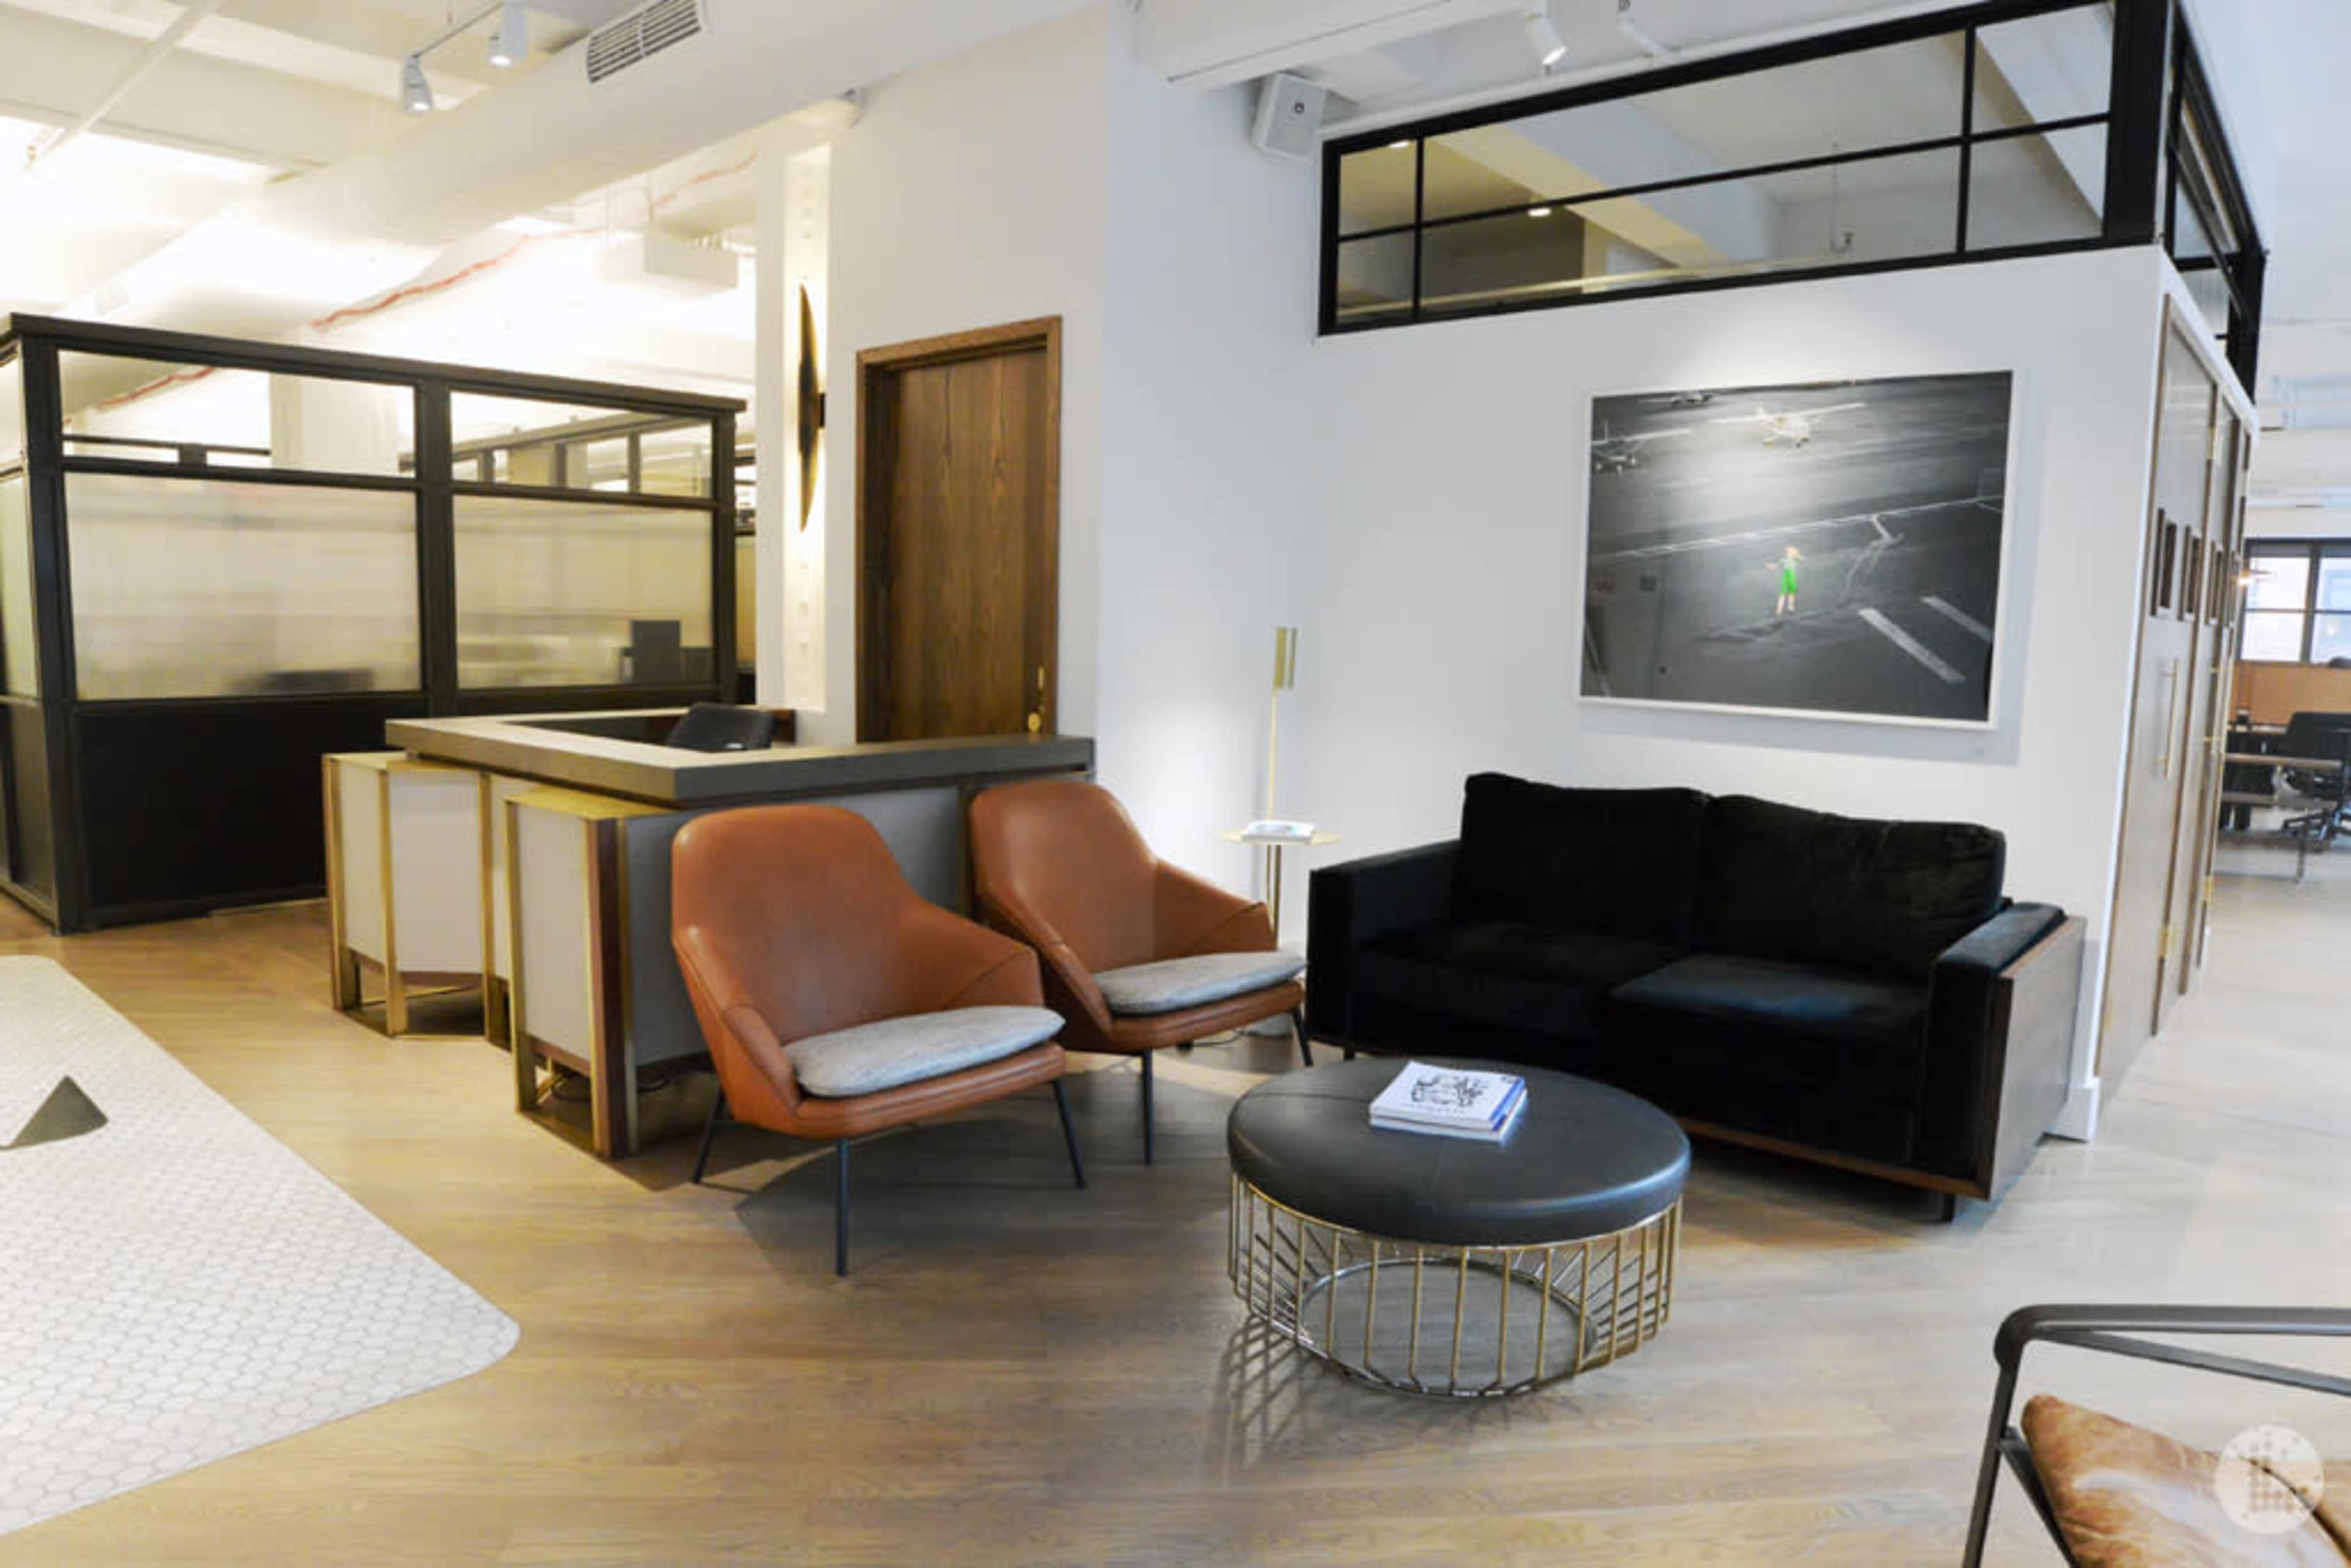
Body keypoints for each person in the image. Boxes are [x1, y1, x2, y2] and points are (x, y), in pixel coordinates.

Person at [1771, 545, 1802, 617]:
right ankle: (1779, 610)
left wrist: (1796, 554)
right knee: (1782, 593)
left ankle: (1790, 607)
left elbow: (1801, 560)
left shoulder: (1795, 560)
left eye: (1790, 553)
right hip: (1785, 578)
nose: (1788, 555)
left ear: (1793, 554)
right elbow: (1776, 565)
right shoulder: (1783, 560)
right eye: (1787, 553)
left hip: (1792, 578)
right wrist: (1771, 566)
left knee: (1792, 593)